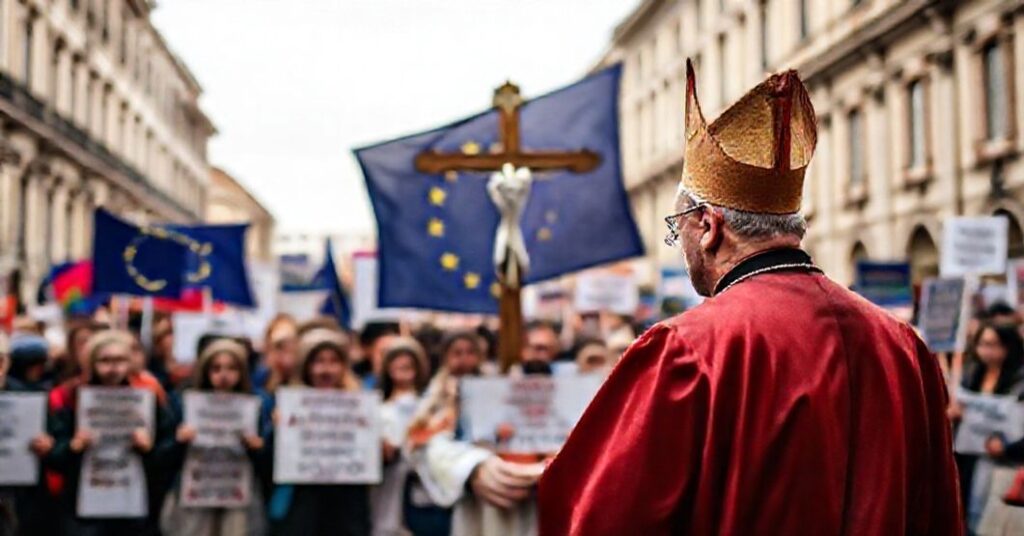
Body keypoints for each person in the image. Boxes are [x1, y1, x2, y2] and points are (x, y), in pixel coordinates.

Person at [538, 61, 961, 534]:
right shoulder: (902, 345)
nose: (681, 246)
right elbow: (939, 512)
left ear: (708, 227)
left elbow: (600, 516)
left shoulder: (687, 349)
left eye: (677, 230)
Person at [406, 331, 543, 536]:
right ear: (446, 358)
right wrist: (469, 466)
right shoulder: (434, 399)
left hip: (509, 485)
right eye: (457, 353)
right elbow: (421, 443)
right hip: (467, 496)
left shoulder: (499, 391)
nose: (464, 359)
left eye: (470, 352)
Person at [46, 330, 177, 536]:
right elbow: (52, 455)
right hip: (83, 511)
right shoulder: (73, 398)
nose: (113, 367)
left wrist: (148, 449)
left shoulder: (148, 401)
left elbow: (168, 455)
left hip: (135, 509)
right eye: (105, 360)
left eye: (120, 360)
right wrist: (73, 447)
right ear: (91, 363)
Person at [266, 328, 370, 535]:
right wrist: (277, 433)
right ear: (306, 366)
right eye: (318, 361)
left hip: (346, 515)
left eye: (334, 361)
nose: (326, 370)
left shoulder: (362, 406)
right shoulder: (288, 406)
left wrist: (380, 448)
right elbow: (267, 466)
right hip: (301, 514)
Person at [159, 338, 267, 536]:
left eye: (231, 368)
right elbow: (162, 455)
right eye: (216, 369)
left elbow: (268, 462)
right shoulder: (183, 402)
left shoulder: (258, 404)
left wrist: (258, 447)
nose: (224, 376)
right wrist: (178, 442)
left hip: (239, 493)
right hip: (195, 492)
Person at [949, 323, 1024, 531]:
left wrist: (1009, 446)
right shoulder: (971, 375)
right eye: (983, 344)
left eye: (995, 344)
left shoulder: (1019, 380)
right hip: (970, 458)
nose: (988, 351)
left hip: (1006, 463)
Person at [372, 338, 430, 536]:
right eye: (397, 364)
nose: (403, 369)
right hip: (390, 486)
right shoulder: (379, 409)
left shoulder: (428, 407)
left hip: (422, 488)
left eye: (408, 365)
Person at [0, 331, 55, 536]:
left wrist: (49, 446)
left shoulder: (32, 398)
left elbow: (58, 451)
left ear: (7, 363)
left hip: (19, 498)